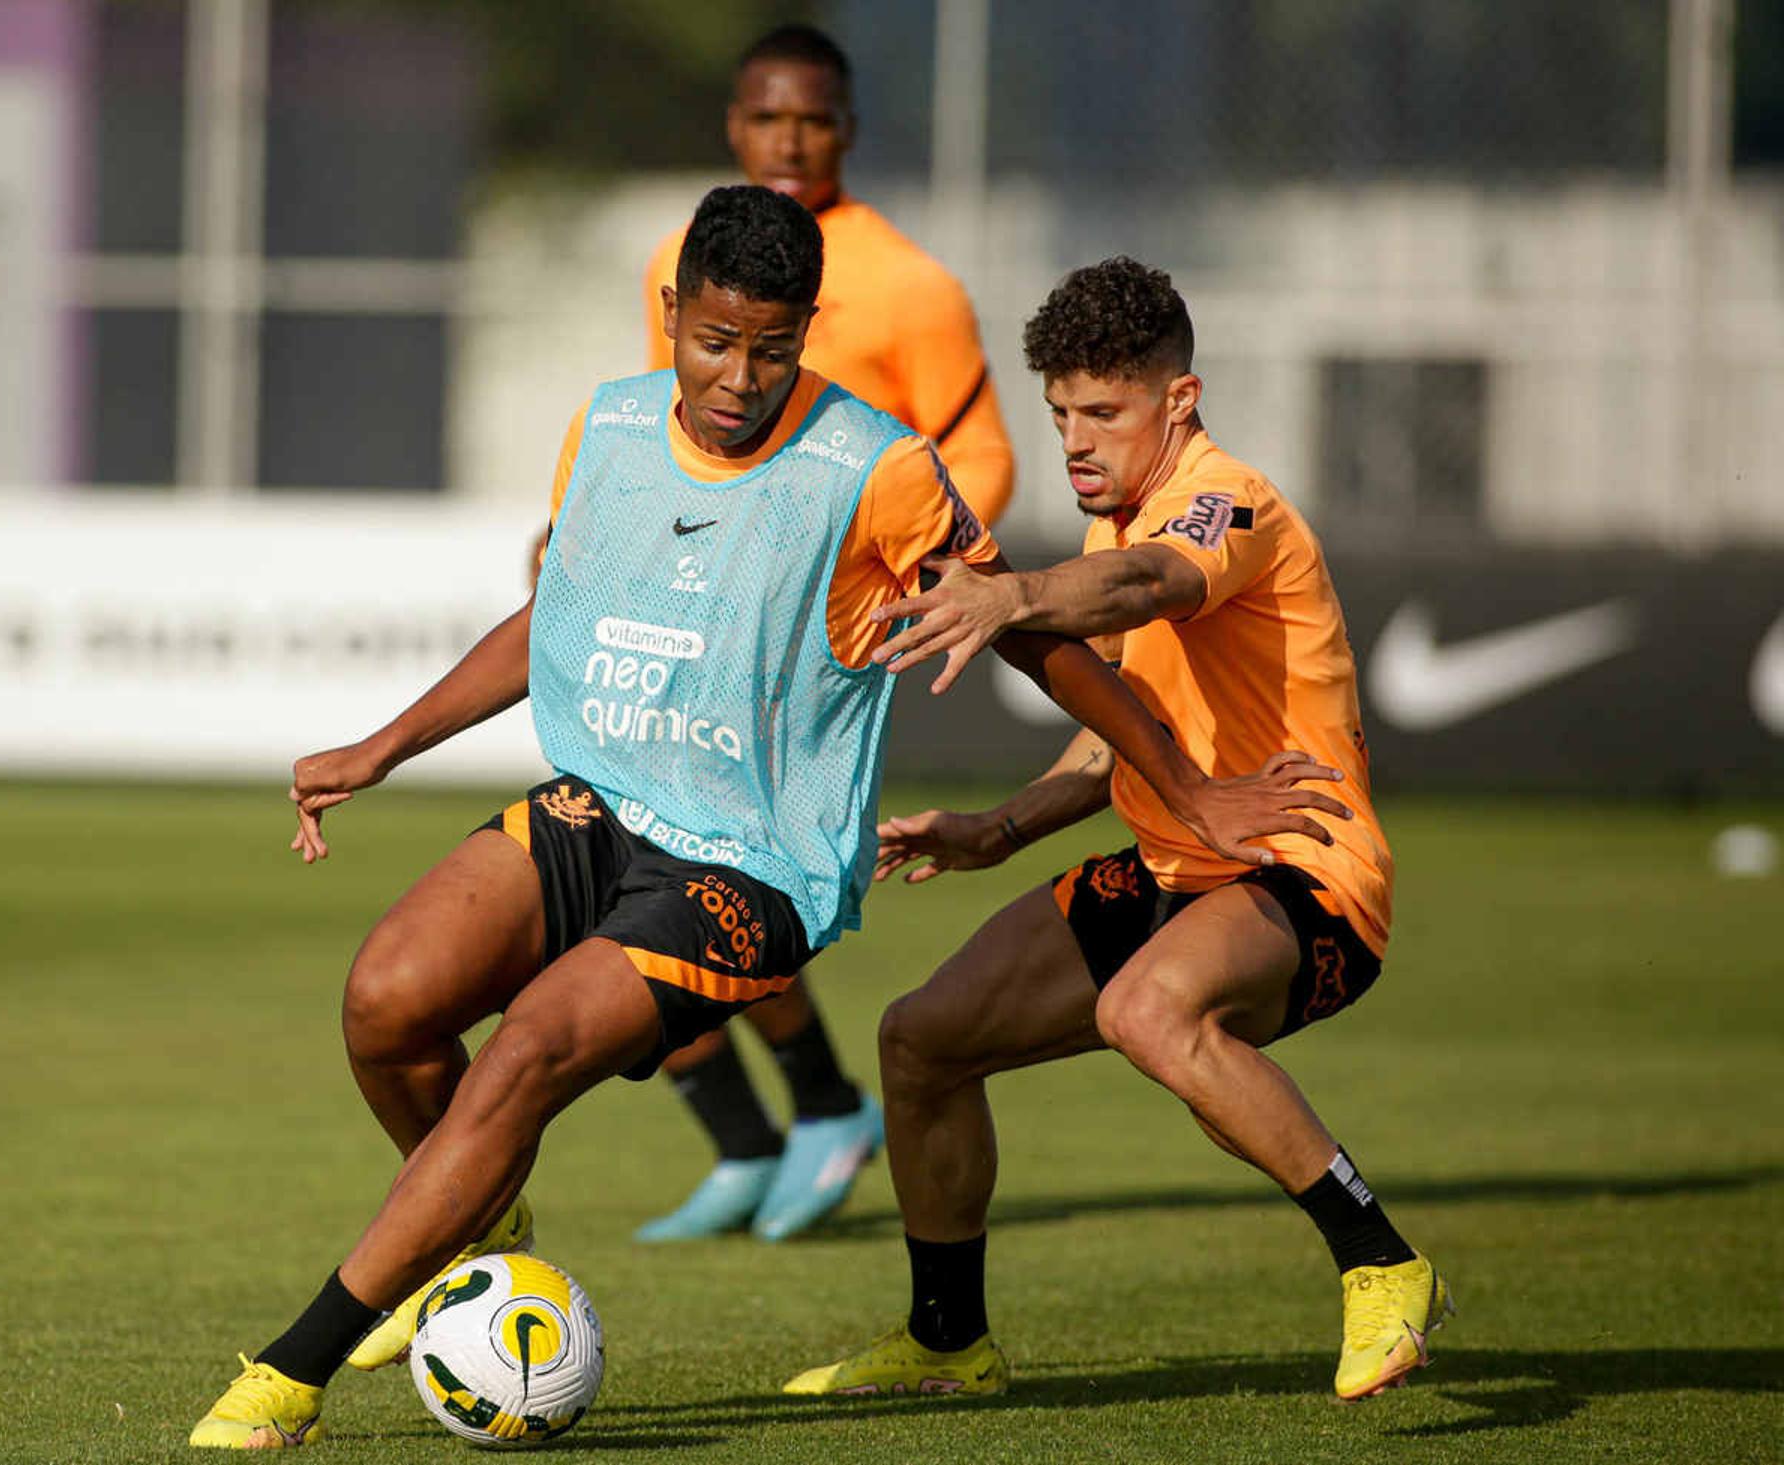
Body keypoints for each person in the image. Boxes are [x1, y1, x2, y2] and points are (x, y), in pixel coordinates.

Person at [187, 194, 1346, 1448]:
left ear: (806, 335)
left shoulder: (878, 467)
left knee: (526, 1050)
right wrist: (381, 747)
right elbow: (557, 619)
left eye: (776, 349)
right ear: (674, 315)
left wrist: (1185, 786)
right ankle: (477, 1216)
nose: (741, 378)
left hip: (756, 859)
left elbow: (1043, 641)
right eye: (716, 342)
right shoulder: (612, 423)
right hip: (601, 803)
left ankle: (291, 1369)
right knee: (385, 1000)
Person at [784, 258, 1453, 1404]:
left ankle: (1382, 1261)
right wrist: (998, 828)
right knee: (920, 1040)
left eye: (1103, 410)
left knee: (1143, 1006)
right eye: (1059, 415)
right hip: (1173, 865)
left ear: (1178, 400)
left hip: (1302, 866)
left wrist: (1012, 594)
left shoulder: (1223, 497)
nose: (1076, 440)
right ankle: (949, 1342)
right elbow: (1113, 743)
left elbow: (1149, 584)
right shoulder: (1113, 526)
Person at [630, 23, 1020, 1244]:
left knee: (695, 873)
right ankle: (767, 1132)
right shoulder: (683, 257)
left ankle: (810, 1112)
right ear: (733, 128)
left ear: (846, 128)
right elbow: (670, 432)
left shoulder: (911, 284)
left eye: (813, 120)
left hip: (818, 638)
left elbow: (983, 457)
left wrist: (907, 579)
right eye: (765, 118)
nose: (788, 140)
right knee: (639, 856)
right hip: (699, 614)